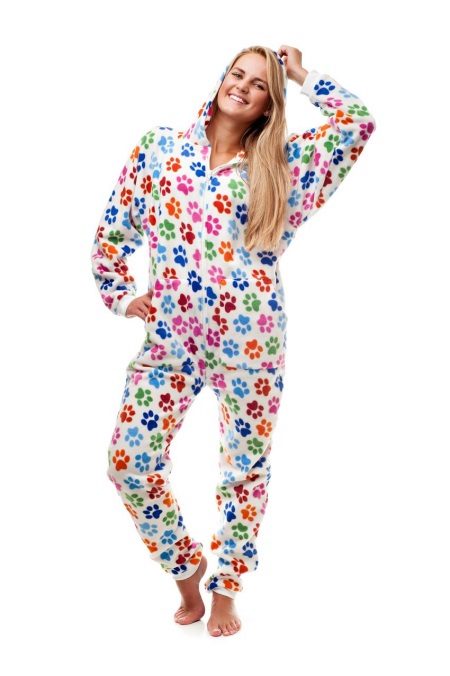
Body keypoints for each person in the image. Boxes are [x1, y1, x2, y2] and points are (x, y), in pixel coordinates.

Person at [90, 44, 376, 637]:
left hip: (250, 343)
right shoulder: (160, 150)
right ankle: (187, 570)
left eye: (260, 84)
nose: (243, 86)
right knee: (128, 464)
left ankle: (226, 590)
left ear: (271, 102)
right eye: (237, 74)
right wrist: (121, 293)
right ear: (222, 79)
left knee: (244, 472)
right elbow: (114, 229)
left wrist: (300, 74)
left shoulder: (285, 167)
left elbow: (357, 124)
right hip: (170, 341)